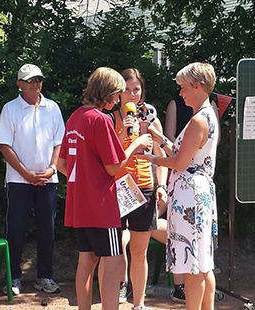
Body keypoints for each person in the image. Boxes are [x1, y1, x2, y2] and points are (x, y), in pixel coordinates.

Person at [57, 67, 152, 310]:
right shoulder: (101, 119)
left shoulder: (76, 116)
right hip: (102, 205)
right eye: (118, 93)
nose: (120, 99)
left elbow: (62, 164)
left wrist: (86, 180)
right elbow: (113, 167)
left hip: (80, 202)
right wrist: (137, 143)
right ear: (108, 93)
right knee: (115, 262)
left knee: (86, 261)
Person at [140, 62, 219, 310]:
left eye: (184, 87)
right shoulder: (207, 114)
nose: (181, 93)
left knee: (194, 263)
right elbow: (183, 153)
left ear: (198, 86)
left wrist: (151, 158)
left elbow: (179, 162)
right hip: (198, 193)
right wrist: (160, 138)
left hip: (190, 197)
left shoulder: (198, 120)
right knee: (203, 261)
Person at [0, 64, 65, 295]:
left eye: (38, 79)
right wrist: (25, 173)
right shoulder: (10, 109)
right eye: (30, 80)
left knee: (48, 229)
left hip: (48, 179)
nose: (35, 84)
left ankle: (44, 276)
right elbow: (4, 145)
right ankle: (13, 277)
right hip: (18, 181)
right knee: (16, 229)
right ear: (19, 84)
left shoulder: (52, 108)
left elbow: (59, 142)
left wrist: (52, 168)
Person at [108, 68, 168, 310]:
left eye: (136, 89)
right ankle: (117, 289)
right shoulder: (110, 119)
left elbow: (161, 155)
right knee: (114, 246)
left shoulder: (152, 120)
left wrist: (161, 184)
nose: (132, 95)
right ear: (119, 93)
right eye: (127, 90)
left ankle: (139, 303)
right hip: (117, 188)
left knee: (139, 250)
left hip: (144, 188)